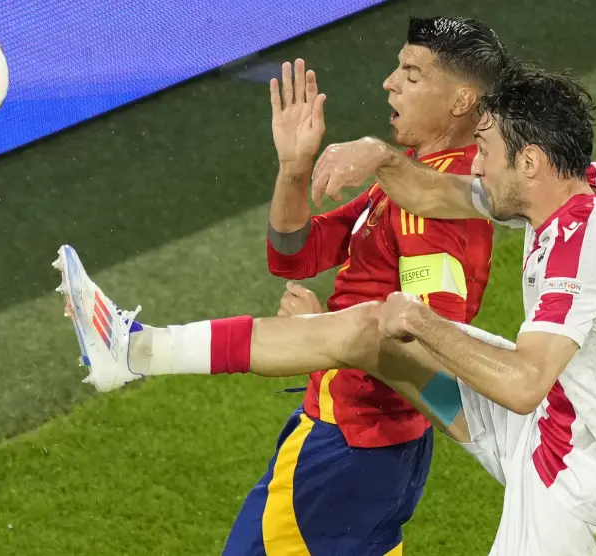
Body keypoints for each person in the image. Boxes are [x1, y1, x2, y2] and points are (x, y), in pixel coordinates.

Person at [53, 63, 596, 555]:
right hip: (559, 422)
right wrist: (382, 158)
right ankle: (132, 352)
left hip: (585, 484)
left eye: (488, 147)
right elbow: (446, 193)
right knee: (365, 331)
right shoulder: (583, 180)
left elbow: (523, 384)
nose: (477, 159)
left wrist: (420, 320)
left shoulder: (584, 247)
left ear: (529, 161)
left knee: (400, 324)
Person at [55, 16, 510, 556]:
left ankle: (134, 350)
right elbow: (295, 253)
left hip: (346, 446)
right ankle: (133, 350)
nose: (389, 82)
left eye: (411, 74)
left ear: (460, 101)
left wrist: (323, 333)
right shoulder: (424, 182)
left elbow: (432, 344)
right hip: (381, 447)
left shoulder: (428, 210)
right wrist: (295, 167)